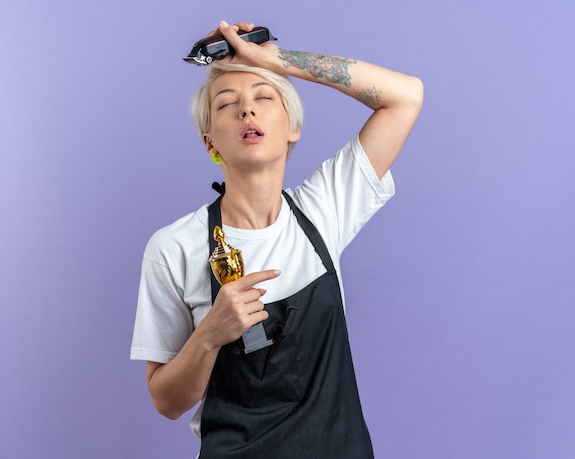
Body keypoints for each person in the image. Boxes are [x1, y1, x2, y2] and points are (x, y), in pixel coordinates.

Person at [131, 20, 423, 458]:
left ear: (292, 127)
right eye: (227, 104)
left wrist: (272, 60)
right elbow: (166, 401)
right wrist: (209, 335)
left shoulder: (324, 209)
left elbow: (404, 97)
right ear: (211, 142)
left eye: (265, 98)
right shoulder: (173, 248)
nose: (247, 111)